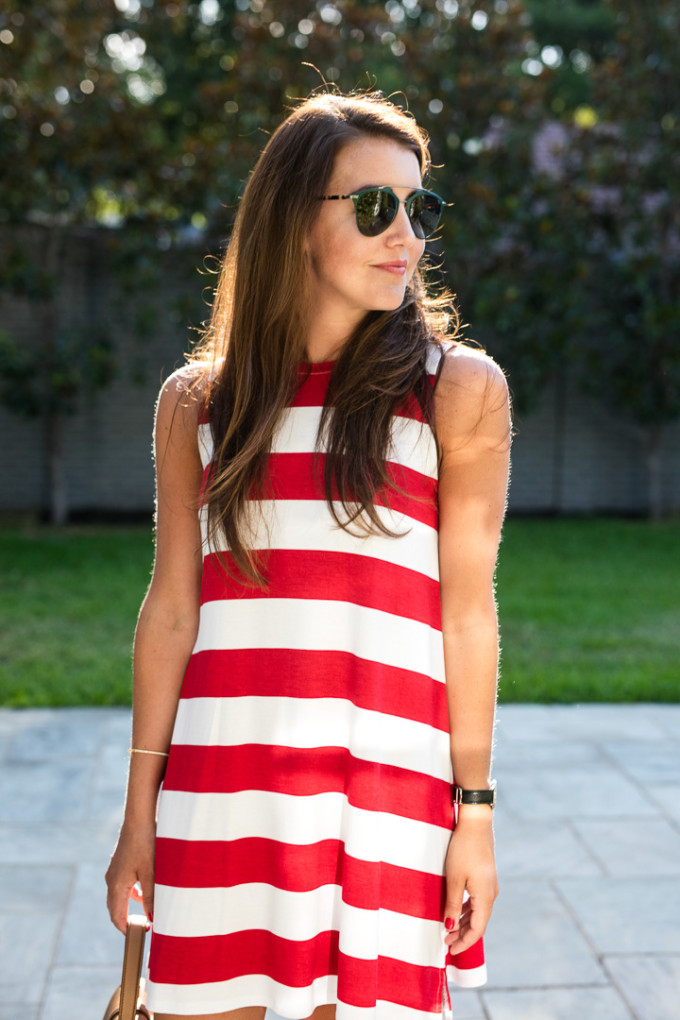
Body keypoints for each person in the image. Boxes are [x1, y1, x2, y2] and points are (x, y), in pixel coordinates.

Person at [106, 89, 511, 1020]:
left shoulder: (457, 392)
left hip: (383, 799)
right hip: (221, 790)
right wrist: (139, 815)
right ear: (294, 220)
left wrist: (476, 817)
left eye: (421, 208)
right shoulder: (196, 403)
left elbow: (467, 611)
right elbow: (172, 607)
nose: (405, 232)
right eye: (375, 207)